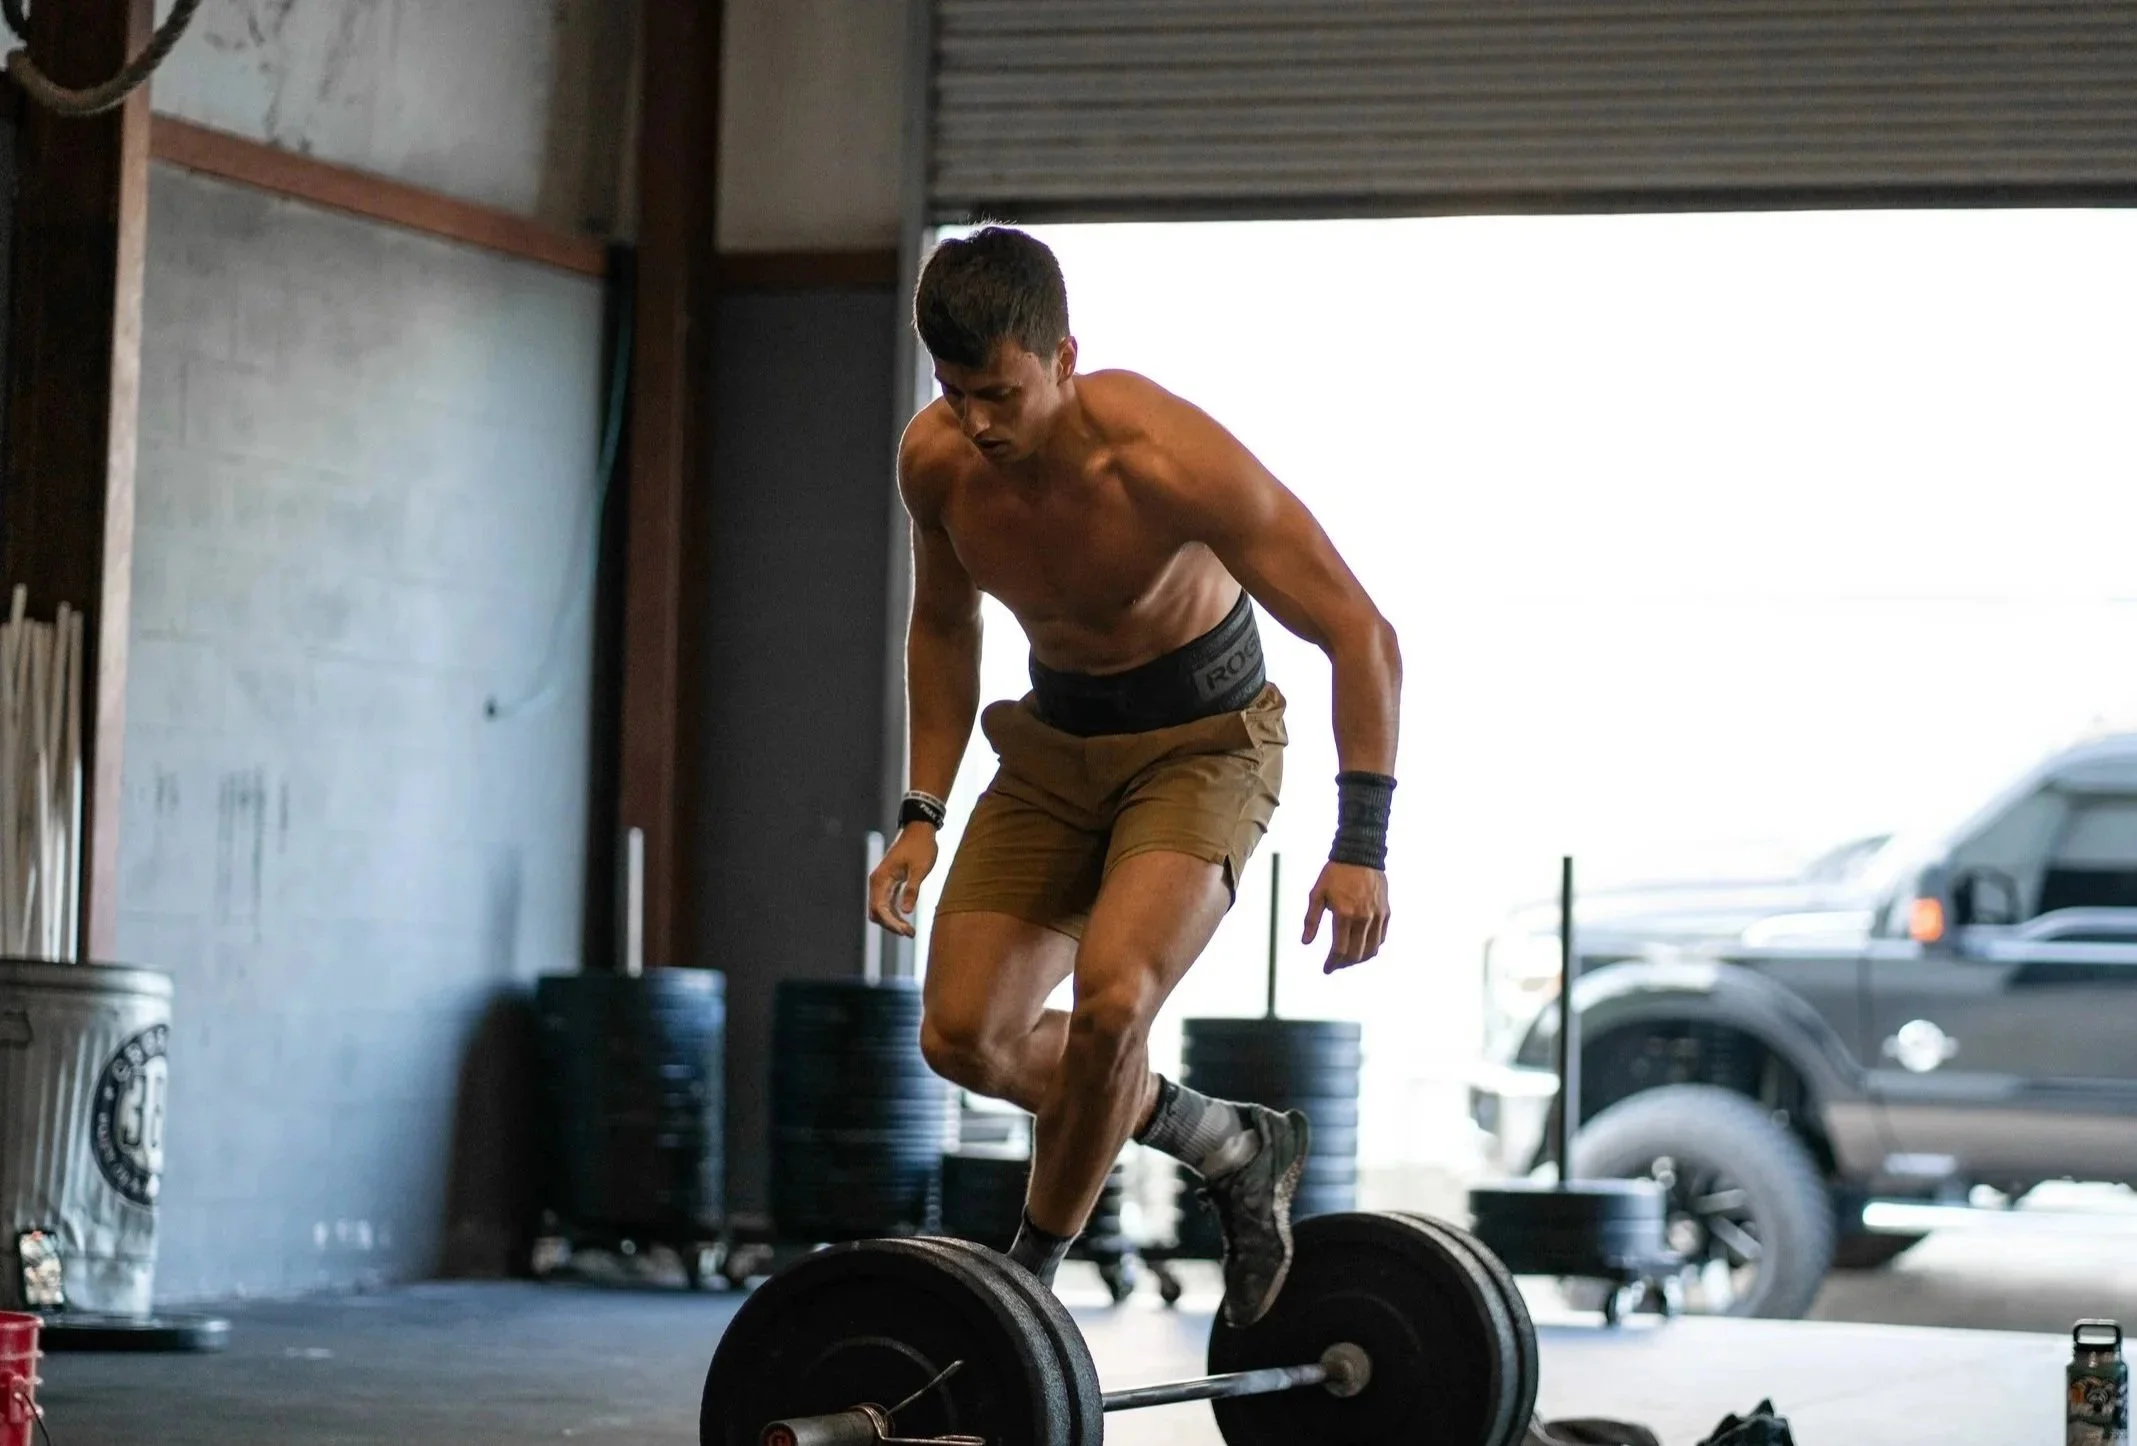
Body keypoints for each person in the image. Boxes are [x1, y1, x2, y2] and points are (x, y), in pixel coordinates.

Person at [867, 226, 1401, 1327]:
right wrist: (923, 810)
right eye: (955, 392)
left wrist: (1361, 847)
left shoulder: (1167, 460)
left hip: (1203, 743)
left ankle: (1030, 1282)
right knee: (964, 1035)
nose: (976, 421)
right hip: (1054, 747)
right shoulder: (936, 462)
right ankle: (1227, 1141)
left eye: (1001, 393)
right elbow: (943, 624)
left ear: (1064, 359)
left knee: (1113, 1003)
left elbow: (1360, 632)